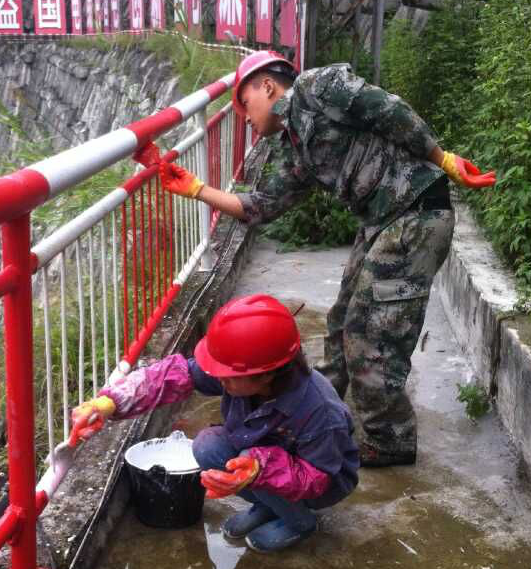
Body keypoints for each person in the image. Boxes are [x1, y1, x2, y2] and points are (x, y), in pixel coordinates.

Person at [145, 51, 495, 467]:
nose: (244, 117)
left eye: (244, 104)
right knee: (342, 320)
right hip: (383, 220)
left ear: (267, 86)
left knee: (372, 333)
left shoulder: (319, 87)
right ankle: (321, 414)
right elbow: (263, 206)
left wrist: (442, 159)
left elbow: (389, 110)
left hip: (416, 213)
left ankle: (389, 441)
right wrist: (197, 188)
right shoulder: (296, 147)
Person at [69, 294, 359, 553]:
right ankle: (269, 505)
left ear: (268, 374)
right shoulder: (242, 374)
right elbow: (175, 374)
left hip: (321, 480)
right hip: (264, 458)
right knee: (209, 446)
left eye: (227, 375)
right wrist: (109, 404)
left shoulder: (321, 412)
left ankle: (299, 522)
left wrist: (259, 468)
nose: (218, 378)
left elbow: (318, 478)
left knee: (244, 461)